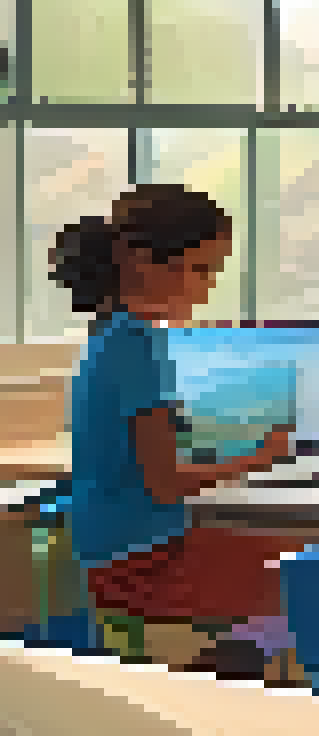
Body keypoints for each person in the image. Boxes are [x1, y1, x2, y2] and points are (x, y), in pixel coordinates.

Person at [53, 184, 299, 679]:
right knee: (305, 576)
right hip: (138, 566)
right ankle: (217, 676)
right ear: (143, 262)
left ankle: (224, 668)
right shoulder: (138, 346)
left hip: (124, 550)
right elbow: (165, 483)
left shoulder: (114, 335)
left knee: (282, 560)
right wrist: (260, 456)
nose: (207, 287)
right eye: (202, 269)